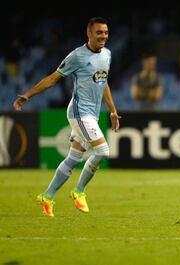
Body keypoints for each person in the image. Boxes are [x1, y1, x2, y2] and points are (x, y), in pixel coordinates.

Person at [13, 17, 121, 217]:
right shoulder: (77, 56)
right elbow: (54, 78)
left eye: (106, 33)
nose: (103, 36)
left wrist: (113, 110)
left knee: (74, 157)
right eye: (99, 32)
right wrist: (28, 95)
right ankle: (79, 191)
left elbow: (103, 81)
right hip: (79, 112)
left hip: (93, 114)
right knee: (103, 151)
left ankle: (47, 196)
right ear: (89, 34)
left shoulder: (107, 54)